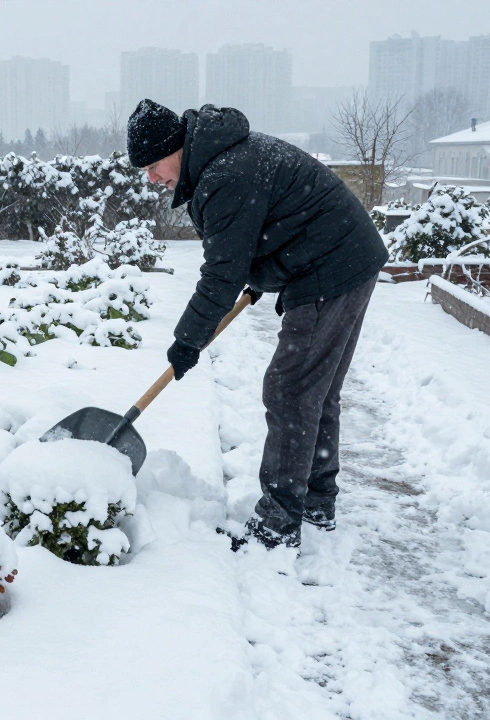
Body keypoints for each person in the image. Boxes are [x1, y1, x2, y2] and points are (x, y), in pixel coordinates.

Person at [126, 98, 388, 550]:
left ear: (177, 147)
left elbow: (222, 273)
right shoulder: (225, 156)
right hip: (346, 257)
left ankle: (279, 521)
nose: (151, 177)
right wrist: (264, 273)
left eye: (153, 164)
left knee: (291, 390)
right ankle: (315, 502)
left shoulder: (225, 175)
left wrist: (187, 340)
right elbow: (272, 224)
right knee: (315, 391)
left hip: (330, 269)